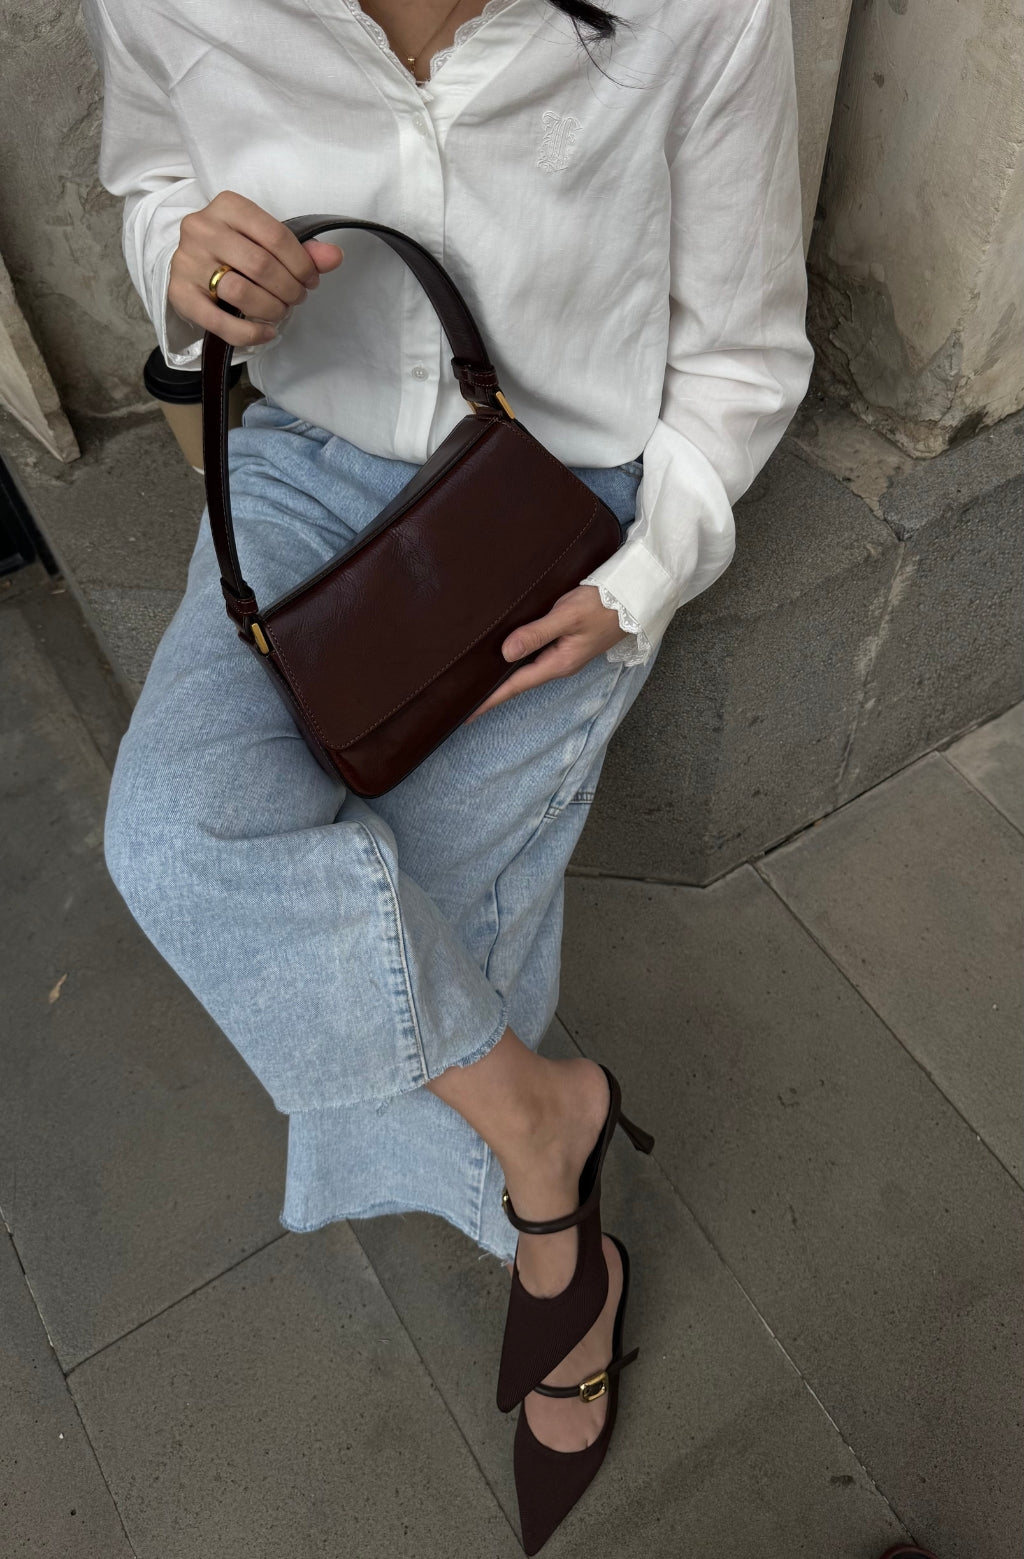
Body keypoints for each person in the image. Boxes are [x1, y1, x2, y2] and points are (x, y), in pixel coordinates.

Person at [84, 0, 814, 1549]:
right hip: (299, 467)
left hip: (553, 510)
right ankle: (550, 1136)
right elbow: (151, 185)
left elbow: (744, 348)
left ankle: (556, 1252)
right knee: (174, 836)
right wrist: (184, 271)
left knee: (432, 908)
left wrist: (643, 578)